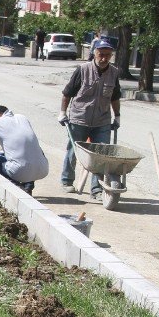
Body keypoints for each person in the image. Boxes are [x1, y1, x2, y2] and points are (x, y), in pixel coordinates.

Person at [57, 39, 121, 200]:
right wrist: (62, 112)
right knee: (73, 152)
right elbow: (67, 93)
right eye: (101, 54)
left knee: (100, 155)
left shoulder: (114, 72)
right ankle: (67, 181)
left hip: (102, 121)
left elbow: (114, 97)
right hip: (79, 118)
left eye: (108, 55)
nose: (104, 58)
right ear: (94, 53)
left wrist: (117, 116)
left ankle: (97, 189)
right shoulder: (83, 70)